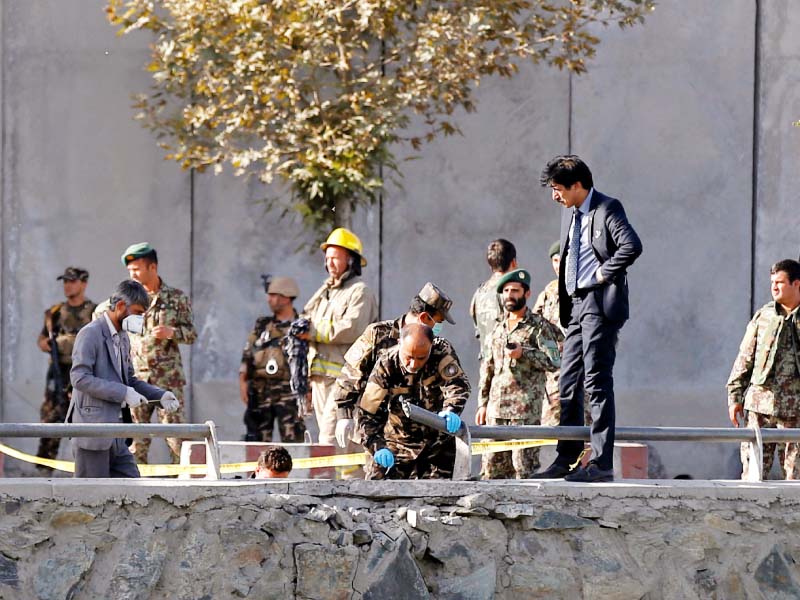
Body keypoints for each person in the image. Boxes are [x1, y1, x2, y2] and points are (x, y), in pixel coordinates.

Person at [533, 155, 642, 483]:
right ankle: (566, 456)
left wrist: (601, 274)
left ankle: (601, 463)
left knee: (596, 381)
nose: (555, 196)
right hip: (577, 306)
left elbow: (631, 246)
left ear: (577, 185)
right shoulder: (570, 215)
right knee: (567, 381)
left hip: (599, 303)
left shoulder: (608, 208)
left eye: (558, 189)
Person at [95, 242, 197, 463]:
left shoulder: (176, 298)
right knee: (134, 441)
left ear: (153, 267)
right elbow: (100, 316)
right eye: (130, 271)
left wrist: (173, 332)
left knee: (176, 439)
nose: (133, 274)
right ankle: (136, 487)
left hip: (168, 381)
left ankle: (180, 490)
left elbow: (192, 334)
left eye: (137, 269)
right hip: (135, 379)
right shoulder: (123, 301)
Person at [68, 280, 180, 477]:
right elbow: (80, 378)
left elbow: (129, 379)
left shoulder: (123, 337)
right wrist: (122, 393)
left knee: (133, 490)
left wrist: (160, 396)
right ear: (120, 306)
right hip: (93, 434)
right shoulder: (90, 334)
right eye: (137, 313)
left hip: (118, 434)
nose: (139, 319)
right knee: (93, 498)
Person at [331, 282, 457, 449]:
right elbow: (351, 374)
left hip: (419, 434)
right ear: (424, 317)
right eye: (438, 321)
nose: (438, 328)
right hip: (380, 430)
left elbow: (452, 382)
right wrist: (344, 414)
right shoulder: (378, 334)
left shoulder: (434, 344)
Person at [477, 269, 562, 479]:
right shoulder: (498, 328)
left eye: (515, 290)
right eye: (505, 291)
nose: (509, 295)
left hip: (525, 413)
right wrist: (482, 403)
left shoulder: (540, 327)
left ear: (527, 294)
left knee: (524, 472)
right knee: (492, 471)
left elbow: (554, 361)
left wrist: (524, 353)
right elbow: (487, 368)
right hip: (496, 412)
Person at [358, 324, 470, 480]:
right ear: (399, 343)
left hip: (437, 445)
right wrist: (378, 447)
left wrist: (451, 410)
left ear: (430, 348)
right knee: (377, 492)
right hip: (397, 443)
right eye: (408, 357)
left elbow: (458, 385)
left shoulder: (441, 353)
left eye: (421, 358)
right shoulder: (387, 365)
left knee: (443, 496)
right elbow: (368, 414)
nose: (414, 364)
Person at [302, 228, 378, 451]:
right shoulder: (325, 292)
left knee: (330, 440)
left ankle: (342, 484)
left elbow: (352, 328)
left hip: (344, 379)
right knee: (343, 441)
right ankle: (350, 481)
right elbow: (307, 318)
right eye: (327, 258)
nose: (330, 263)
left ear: (350, 260)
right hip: (320, 378)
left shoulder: (360, 292)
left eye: (335, 257)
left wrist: (312, 331)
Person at [727, 259, 800, 480]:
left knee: (795, 478)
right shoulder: (764, 316)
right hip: (760, 408)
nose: (774, 288)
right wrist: (734, 396)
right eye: (772, 283)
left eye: (780, 282)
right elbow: (745, 357)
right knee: (753, 475)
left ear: (796, 284)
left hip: (796, 411)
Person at [36, 267, 97, 469]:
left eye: (72, 281)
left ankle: (89, 470)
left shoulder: (95, 312)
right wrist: (50, 344)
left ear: (83, 283)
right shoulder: (54, 313)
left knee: (87, 424)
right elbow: (42, 340)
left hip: (84, 375)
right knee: (50, 424)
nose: (67, 285)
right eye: (65, 281)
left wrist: (66, 343)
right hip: (58, 375)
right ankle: (44, 474)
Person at [240, 276, 306, 443]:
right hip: (261, 391)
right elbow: (248, 354)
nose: (269, 299)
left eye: (273, 295)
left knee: (293, 442)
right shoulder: (262, 325)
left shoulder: (301, 326)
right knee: (257, 443)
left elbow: (309, 357)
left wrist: (308, 389)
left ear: (286, 297)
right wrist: (243, 381)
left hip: (289, 392)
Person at [470, 239, 517, 363]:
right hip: (506, 365)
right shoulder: (510, 292)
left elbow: (478, 329)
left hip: (486, 363)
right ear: (513, 262)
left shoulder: (479, 293)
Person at [533, 242, 564, 427]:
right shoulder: (549, 291)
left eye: (562, 260)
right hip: (552, 368)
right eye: (555, 260)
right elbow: (534, 324)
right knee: (551, 422)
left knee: (583, 422)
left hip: (578, 365)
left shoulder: (584, 287)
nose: (558, 265)